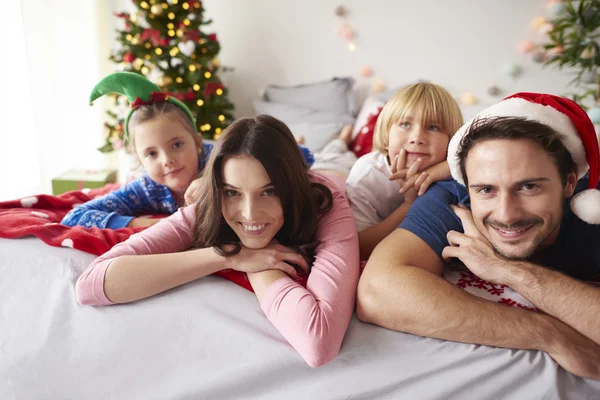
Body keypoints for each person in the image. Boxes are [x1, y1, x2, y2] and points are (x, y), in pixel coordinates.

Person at [75, 115, 360, 368]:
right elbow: (90, 285)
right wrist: (229, 255)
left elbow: (319, 343)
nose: (249, 213)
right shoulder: (208, 204)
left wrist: (262, 267)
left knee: (343, 161)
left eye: (269, 191)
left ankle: (339, 141)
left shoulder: (324, 200)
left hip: (338, 174)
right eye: (233, 192)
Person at [356, 92, 600, 380]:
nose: (506, 214)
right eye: (486, 190)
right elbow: (378, 291)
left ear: (569, 182)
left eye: (529, 187)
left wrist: (508, 270)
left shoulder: (592, 210)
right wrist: (549, 333)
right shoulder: (453, 197)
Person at [61, 72, 314, 229]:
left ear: (196, 141)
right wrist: (145, 224)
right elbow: (75, 216)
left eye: (176, 145)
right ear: (139, 160)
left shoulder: (222, 158)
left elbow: (305, 156)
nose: (167, 160)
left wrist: (211, 181)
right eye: (151, 154)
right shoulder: (147, 188)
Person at [345, 83, 464, 259]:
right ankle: (342, 139)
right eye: (405, 124)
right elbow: (359, 247)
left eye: (433, 127)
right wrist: (409, 204)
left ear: (452, 141)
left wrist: (445, 168)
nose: (417, 138)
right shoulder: (368, 176)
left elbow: (472, 156)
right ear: (386, 137)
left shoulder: (455, 167)